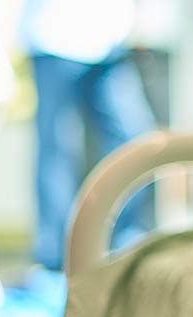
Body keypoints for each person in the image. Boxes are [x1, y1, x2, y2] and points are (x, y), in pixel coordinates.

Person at [21, 0, 156, 281]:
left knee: (136, 142)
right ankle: (54, 262)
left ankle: (125, 243)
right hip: (53, 40)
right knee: (57, 152)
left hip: (111, 44)